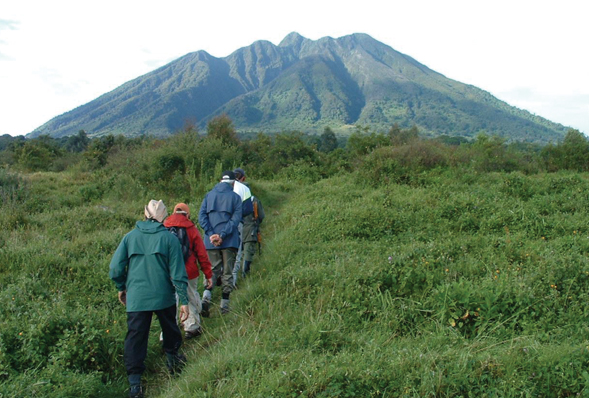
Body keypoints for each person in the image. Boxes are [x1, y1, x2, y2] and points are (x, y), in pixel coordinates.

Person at [109, 200, 190, 398]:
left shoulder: (130, 237)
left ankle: (135, 385)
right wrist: (184, 301)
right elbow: (178, 273)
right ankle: (173, 363)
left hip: (137, 297)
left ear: (144, 214)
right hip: (163, 295)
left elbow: (115, 269)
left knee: (136, 337)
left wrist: (122, 287)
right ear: (163, 217)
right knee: (170, 327)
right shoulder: (169, 239)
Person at [164, 203, 214, 339]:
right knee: (191, 296)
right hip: (189, 271)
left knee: (171, 300)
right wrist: (208, 274)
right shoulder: (191, 228)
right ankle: (192, 327)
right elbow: (201, 254)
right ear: (187, 214)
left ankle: (168, 333)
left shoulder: (165, 226)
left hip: (169, 271)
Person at [198, 170, 242, 315]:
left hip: (210, 243)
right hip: (229, 241)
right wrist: (222, 235)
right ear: (233, 182)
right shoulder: (235, 198)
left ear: (220, 180)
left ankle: (206, 298)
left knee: (212, 270)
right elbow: (235, 220)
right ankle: (224, 305)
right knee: (228, 271)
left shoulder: (209, 195)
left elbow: (202, 217)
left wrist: (211, 235)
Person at [231, 167, 253, 286]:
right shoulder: (244, 189)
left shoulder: (221, 187)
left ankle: (209, 288)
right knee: (236, 253)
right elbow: (248, 209)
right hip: (237, 223)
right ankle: (232, 283)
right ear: (243, 178)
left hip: (220, 224)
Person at [241, 195, 265, 277]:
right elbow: (261, 215)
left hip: (236, 230)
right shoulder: (254, 200)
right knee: (248, 252)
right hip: (250, 229)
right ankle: (245, 274)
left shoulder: (234, 198)